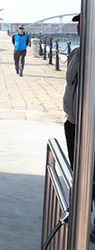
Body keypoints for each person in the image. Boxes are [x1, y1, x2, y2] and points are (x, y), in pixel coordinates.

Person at [62, 14, 95, 242]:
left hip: (91, 127)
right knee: (79, 172)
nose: (79, 27)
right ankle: (81, 212)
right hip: (74, 123)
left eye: (85, 22)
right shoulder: (76, 52)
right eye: (79, 23)